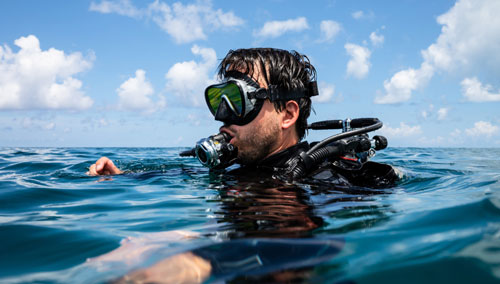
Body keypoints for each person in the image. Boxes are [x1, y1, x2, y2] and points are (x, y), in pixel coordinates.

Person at [88, 48, 399, 187]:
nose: (222, 118)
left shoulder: (326, 181)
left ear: (287, 114)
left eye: (238, 100)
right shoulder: (233, 167)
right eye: (219, 101)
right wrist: (119, 177)